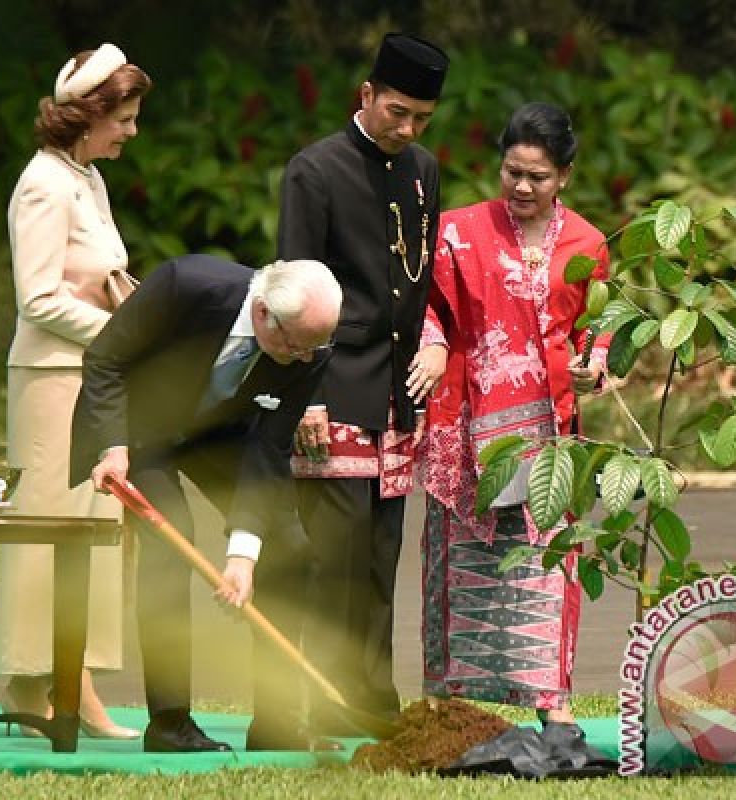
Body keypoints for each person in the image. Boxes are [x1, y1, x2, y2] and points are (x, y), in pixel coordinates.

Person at [70, 255, 342, 753]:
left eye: (314, 347)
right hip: (143, 431)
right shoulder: (186, 285)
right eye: (294, 345)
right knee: (171, 543)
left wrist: (243, 554)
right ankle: (169, 723)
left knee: (289, 546)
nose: (305, 359)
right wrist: (112, 446)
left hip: (220, 434)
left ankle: (276, 721)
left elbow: (268, 446)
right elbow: (106, 359)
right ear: (263, 313)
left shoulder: (309, 347)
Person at [417, 102, 609, 748]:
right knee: (463, 561)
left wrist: (594, 366)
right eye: (512, 172)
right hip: (465, 426)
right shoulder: (454, 234)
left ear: (565, 178)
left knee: (546, 564)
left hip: (550, 436)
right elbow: (426, 311)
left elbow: (596, 330)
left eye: (539, 177)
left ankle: (553, 703)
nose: (522, 188)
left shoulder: (588, 246)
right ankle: (452, 701)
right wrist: (434, 342)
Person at [273, 32, 448, 734]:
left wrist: (433, 342)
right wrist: (306, 395)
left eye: (421, 120)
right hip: (333, 381)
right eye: (397, 112)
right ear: (366, 95)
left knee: (382, 553)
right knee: (333, 559)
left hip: (398, 393)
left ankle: (375, 701)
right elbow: (289, 289)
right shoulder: (313, 171)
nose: (406, 130)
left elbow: (424, 276)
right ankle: (324, 696)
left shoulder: (423, 169)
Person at [0, 43, 150, 740]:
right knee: (51, 534)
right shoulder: (44, 185)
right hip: (52, 382)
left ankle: (50, 683)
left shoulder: (85, 177)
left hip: (90, 379)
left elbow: (103, 275)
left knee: (91, 531)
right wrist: (119, 335)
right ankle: (52, 685)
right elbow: (39, 300)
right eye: (126, 117)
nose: (132, 131)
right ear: (91, 115)